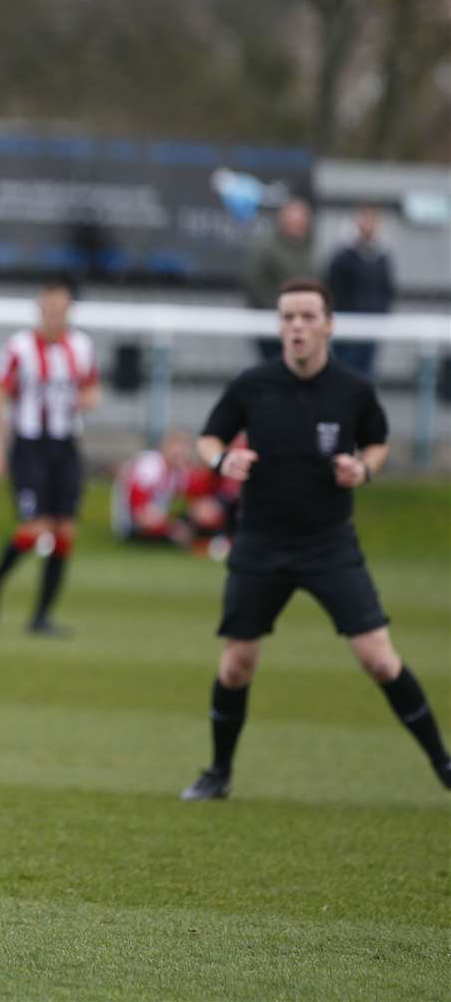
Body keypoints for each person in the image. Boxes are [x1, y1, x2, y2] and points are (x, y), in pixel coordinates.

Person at [180, 278, 451, 801]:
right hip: (259, 542)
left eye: (307, 317)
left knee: (378, 658)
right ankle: (218, 773)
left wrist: (363, 469)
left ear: (329, 324)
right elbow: (208, 436)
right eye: (287, 317)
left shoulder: (353, 389)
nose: (296, 327)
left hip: (328, 543)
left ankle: (442, 762)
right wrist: (222, 459)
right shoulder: (252, 384)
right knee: (237, 665)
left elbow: (377, 442)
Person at [0, 275, 101, 636]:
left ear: (69, 308)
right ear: (39, 307)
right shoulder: (18, 348)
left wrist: (88, 400)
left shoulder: (81, 346)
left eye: (60, 307)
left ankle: (41, 616)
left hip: (66, 445)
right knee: (35, 528)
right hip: (30, 445)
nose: (53, 314)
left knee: (64, 531)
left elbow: (93, 390)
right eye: (47, 307)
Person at [111, 430, 237, 559]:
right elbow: (141, 514)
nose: (179, 453)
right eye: (175, 448)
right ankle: (211, 545)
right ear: (164, 448)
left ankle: (219, 543)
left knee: (207, 510)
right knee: (184, 529)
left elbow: (201, 490)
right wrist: (172, 527)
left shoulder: (176, 470)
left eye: (183, 449)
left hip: (158, 520)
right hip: (134, 527)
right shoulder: (150, 466)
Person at [326, 207, 395, 379]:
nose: (368, 226)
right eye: (365, 220)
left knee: (366, 372)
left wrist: (382, 313)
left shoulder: (382, 255)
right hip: (347, 323)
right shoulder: (343, 255)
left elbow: (386, 288)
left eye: (373, 221)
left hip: (373, 323)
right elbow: (333, 287)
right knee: (346, 371)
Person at [242, 197, 313, 361]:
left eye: (301, 220)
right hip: (271, 322)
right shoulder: (265, 248)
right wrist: (280, 308)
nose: (298, 225)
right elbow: (254, 282)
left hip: (303, 325)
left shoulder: (309, 248)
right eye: (293, 220)